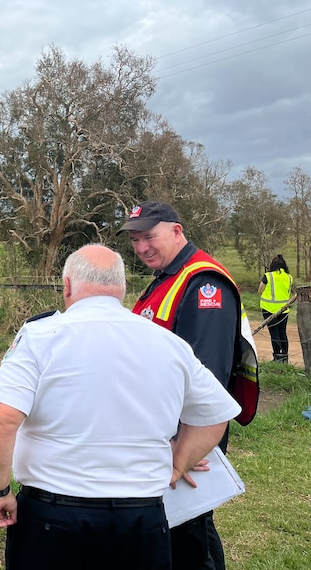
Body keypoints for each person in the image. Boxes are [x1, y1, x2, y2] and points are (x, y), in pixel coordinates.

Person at [0, 244, 241, 570]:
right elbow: (215, 416)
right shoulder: (169, 344)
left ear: (68, 286)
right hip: (141, 518)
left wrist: (0, 491)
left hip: (53, 515)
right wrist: (178, 463)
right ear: (122, 288)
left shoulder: (41, 336)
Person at [118, 200, 259, 570]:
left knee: (189, 533)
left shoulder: (202, 284)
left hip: (186, 434)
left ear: (176, 231)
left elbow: (205, 377)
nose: (142, 247)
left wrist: (186, 444)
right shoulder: (166, 277)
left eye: (149, 236)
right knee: (181, 529)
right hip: (164, 431)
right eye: (135, 240)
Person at [258, 254, 293, 362]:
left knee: (274, 333)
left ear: (272, 265)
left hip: (269, 309)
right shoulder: (289, 277)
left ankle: (277, 357)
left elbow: (260, 290)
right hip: (284, 309)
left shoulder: (268, 276)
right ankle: (285, 357)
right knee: (283, 332)